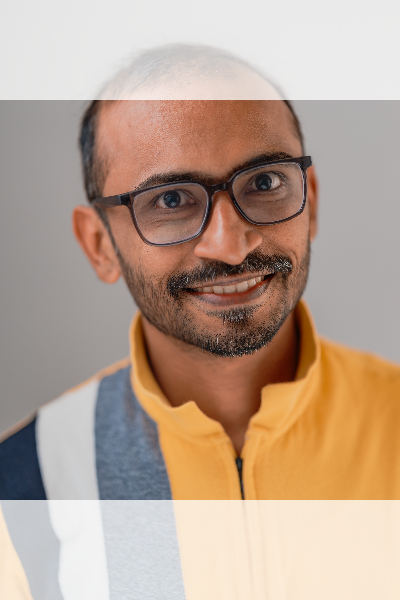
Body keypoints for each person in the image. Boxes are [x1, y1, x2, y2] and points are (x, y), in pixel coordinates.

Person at [1, 43, 400, 502]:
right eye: (170, 200)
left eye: (265, 182)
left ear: (310, 202)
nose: (230, 247)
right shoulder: (24, 487)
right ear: (99, 245)